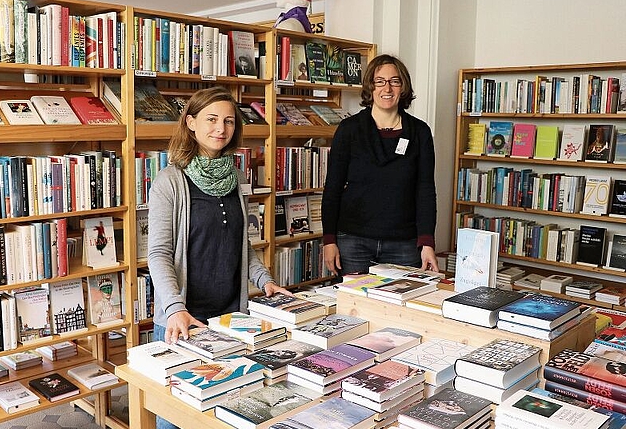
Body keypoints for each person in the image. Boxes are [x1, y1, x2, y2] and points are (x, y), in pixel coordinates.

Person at [148, 86, 291, 429]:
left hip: (230, 318)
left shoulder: (236, 178)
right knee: (176, 419)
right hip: (183, 321)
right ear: (191, 122)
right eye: (211, 119)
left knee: (225, 412)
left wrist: (265, 281)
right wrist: (175, 309)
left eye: (228, 121)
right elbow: (158, 254)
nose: (220, 129)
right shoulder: (170, 181)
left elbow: (243, 244)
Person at [321, 54, 439, 276]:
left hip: (404, 244)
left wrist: (427, 242)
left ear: (403, 87)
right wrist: (329, 240)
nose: (388, 88)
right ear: (370, 87)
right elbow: (333, 188)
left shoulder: (420, 132)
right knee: (352, 309)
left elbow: (425, 191)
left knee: (399, 309)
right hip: (353, 242)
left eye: (395, 81)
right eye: (380, 81)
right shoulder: (349, 130)